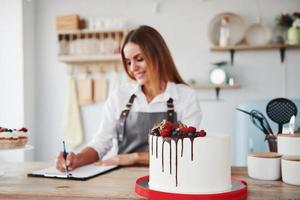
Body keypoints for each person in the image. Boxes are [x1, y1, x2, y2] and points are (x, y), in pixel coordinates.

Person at [56, 25, 202, 172]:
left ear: (158, 56)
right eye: (128, 62)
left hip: (169, 176)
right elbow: (101, 142)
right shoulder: (120, 95)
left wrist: (135, 157)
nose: (133, 68)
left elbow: (184, 149)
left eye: (139, 59)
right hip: (121, 177)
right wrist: (77, 158)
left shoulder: (185, 96)